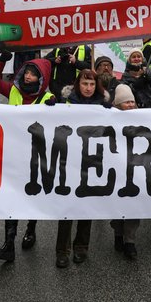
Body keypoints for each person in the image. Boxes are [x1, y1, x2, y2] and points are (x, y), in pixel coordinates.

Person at [0, 52, 54, 262]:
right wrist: (1, 61)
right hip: (14, 154)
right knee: (11, 197)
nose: (28, 77)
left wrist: (55, 108)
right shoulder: (14, 90)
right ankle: (9, 243)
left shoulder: (48, 99)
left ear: (41, 78)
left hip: (35, 156)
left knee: (32, 195)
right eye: (26, 72)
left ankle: (31, 229)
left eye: (33, 74)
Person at [55, 69, 109, 268]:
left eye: (92, 84)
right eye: (85, 84)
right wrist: (50, 109)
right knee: (67, 208)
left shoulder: (104, 106)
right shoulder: (66, 103)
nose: (88, 88)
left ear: (97, 86)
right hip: (70, 161)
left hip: (93, 161)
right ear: (78, 84)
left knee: (87, 207)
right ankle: (62, 250)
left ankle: (81, 247)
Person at [109, 84, 141, 260]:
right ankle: (118, 234)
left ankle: (130, 241)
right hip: (116, 168)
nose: (130, 105)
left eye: (132, 101)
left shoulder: (142, 116)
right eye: (126, 102)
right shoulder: (109, 117)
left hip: (135, 168)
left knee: (133, 205)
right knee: (117, 204)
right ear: (118, 103)